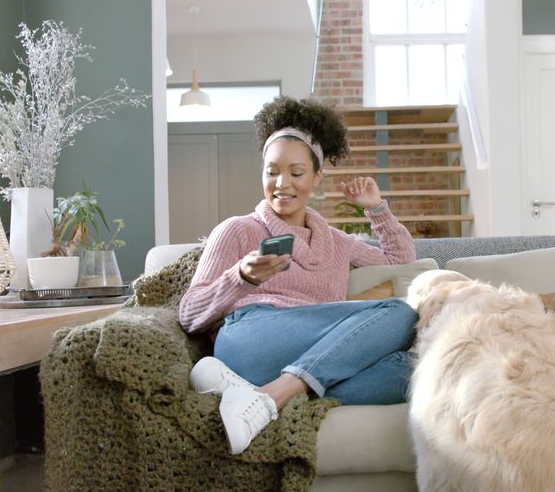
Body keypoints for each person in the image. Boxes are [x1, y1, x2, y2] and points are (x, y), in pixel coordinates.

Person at [178, 96, 419, 455]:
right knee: (401, 312)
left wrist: (377, 210)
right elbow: (188, 313)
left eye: (296, 172)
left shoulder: (337, 243)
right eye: (271, 171)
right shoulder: (239, 230)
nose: (281, 183)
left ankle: (256, 395)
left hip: (308, 353)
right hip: (249, 340)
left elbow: (402, 261)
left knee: (414, 371)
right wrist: (241, 277)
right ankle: (276, 394)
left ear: (317, 176)